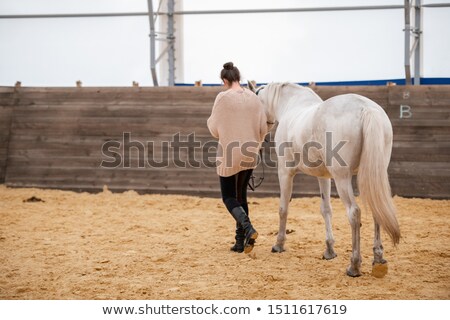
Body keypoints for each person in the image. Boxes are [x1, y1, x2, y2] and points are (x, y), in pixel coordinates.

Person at [207, 62, 268, 253]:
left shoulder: (223, 98)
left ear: (224, 80)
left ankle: (248, 228)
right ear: (239, 78)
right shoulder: (253, 97)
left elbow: (214, 129)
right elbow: (263, 129)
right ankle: (241, 242)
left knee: (228, 197)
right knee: (242, 196)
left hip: (230, 153)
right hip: (251, 151)